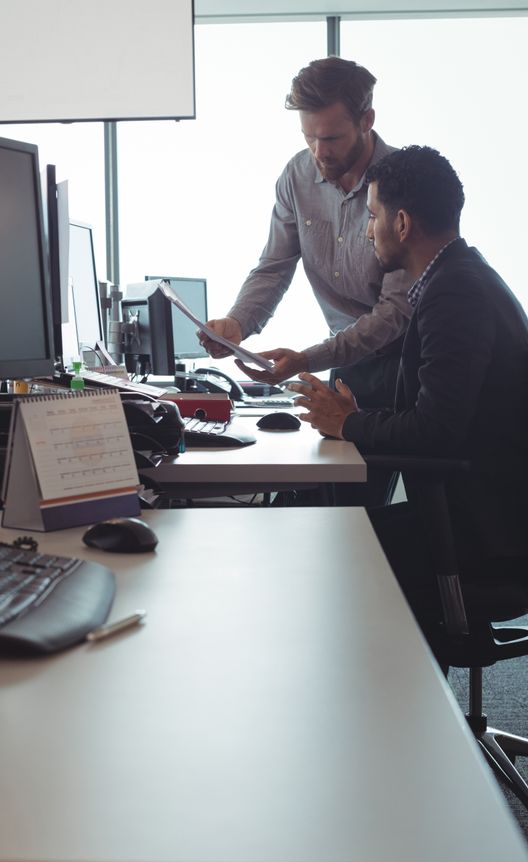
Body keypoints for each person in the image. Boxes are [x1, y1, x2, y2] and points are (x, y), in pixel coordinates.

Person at [283, 145, 528, 652]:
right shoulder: (457, 277)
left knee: (333, 550)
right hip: (487, 513)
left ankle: (401, 719)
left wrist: (349, 425)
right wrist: (354, 416)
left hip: (489, 537)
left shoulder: (453, 295)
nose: (367, 230)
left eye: (372, 216)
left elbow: (436, 431)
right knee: (337, 534)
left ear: (401, 223)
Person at [200, 56, 412, 414]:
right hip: (346, 363)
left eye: (331, 138)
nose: (319, 153)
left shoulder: (402, 182)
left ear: (367, 121)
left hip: (411, 363)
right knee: (340, 469)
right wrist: (238, 324)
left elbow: (394, 312)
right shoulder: (297, 176)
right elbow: (274, 267)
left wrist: (305, 360)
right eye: (309, 137)